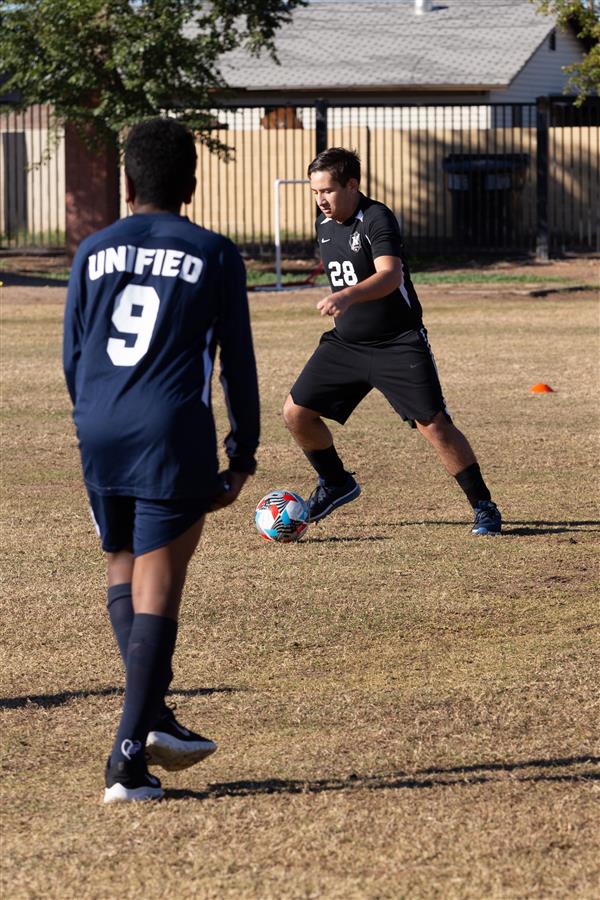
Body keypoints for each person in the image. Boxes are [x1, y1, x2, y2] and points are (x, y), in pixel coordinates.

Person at [63, 118, 260, 802]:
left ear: (126, 182)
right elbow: (235, 358)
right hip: (170, 429)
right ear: (193, 186)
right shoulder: (212, 251)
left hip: (100, 426)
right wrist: (243, 452)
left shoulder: (92, 250)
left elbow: (74, 353)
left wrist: (89, 423)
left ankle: (157, 718)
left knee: (123, 568)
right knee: (160, 587)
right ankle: (126, 760)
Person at [283, 147, 501, 536]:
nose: (321, 200)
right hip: (347, 344)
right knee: (296, 413)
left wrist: (347, 295)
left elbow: (389, 275)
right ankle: (335, 482)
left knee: (433, 424)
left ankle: (483, 505)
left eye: (328, 191)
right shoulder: (324, 224)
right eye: (315, 192)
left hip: (398, 342)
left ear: (352, 185)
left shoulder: (377, 218)